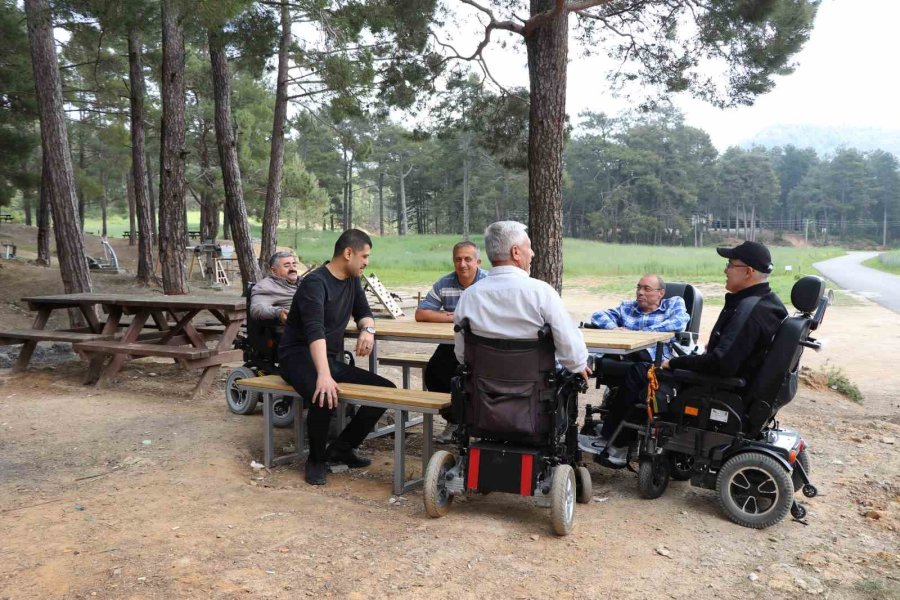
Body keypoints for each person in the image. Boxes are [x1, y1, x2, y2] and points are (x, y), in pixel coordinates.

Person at [594, 241, 787, 465]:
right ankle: (617, 431)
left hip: (722, 385)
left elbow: (721, 363)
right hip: (738, 382)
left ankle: (616, 444)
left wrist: (676, 363)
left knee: (640, 373)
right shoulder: (768, 303)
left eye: (730, 264)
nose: (725, 270)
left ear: (748, 272)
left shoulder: (749, 310)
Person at [279, 229, 396, 486]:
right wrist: (323, 375)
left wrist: (368, 330)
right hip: (297, 357)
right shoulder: (315, 283)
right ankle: (316, 460)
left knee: (386, 391)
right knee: (324, 395)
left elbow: (364, 313)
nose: (367, 262)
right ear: (348, 253)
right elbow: (315, 331)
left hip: (328, 359)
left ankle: (342, 448)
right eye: (365, 256)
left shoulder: (352, 280)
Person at [453, 221, 591, 383]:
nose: (532, 253)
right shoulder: (542, 293)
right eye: (529, 247)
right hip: (535, 393)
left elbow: (462, 355)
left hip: (483, 392)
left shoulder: (469, 297)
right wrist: (579, 365)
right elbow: (573, 355)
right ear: (516, 252)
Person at [415, 241, 488, 442]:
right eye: (458, 259)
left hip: (486, 345)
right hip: (453, 342)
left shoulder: (489, 282)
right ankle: (455, 421)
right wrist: (453, 317)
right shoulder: (444, 283)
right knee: (434, 373)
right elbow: (421, 313)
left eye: (468, 259)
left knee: (477, 378)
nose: (462, 264)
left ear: (478, 261)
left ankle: (481, 425)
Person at [589, 274, 689, 362]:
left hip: (654, 357)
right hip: (624, 352)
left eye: (646, 289)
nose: (640, 292)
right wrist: (614, 329)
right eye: (638, 288)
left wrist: (641, 334)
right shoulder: (628, 307)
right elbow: (598, 315)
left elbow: (679, 321)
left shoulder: (673, 303)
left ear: (661, 293)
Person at [250, 251, 300, 324]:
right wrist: (278, 312)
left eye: (294, 265)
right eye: (287, 266)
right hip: (297, 326)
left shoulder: (305, 282)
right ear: (274, 270)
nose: (293, 269)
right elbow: (257, 309)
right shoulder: (266, 286)